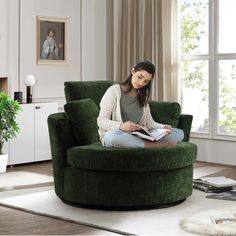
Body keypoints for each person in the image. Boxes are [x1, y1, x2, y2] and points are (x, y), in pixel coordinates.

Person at [97, 60, 184, 148]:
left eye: (146, 81)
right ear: (133, 71)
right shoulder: (114, 91)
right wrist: (121, 126)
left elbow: (149, 123)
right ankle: (154, 145)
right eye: (140, 77)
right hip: (118, 134)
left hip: (138, 135)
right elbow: (101, 121)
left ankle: (138, 144)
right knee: (112, 137)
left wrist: (163, 127)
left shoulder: (143, 96)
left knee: (179, 133)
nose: (141, 83)